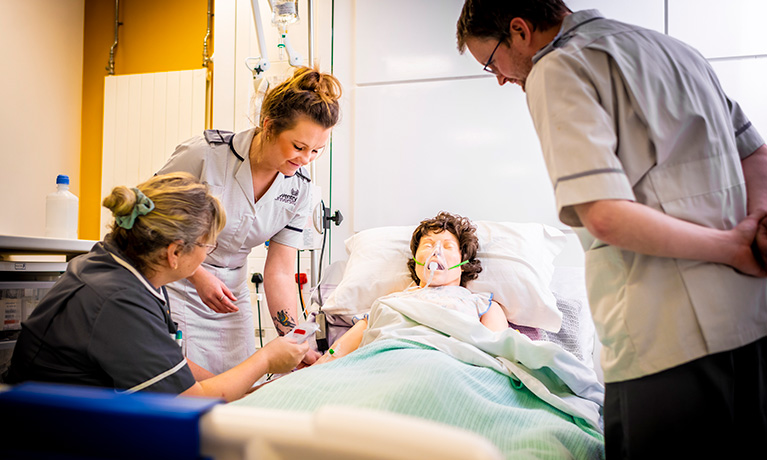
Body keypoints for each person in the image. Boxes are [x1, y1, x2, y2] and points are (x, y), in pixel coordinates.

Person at [456, 1, 767, 457]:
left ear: (519, 31)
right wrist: (755, 227)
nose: (500, 77)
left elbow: (603, 214)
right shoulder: (676, 50)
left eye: (490, 62)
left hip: (666, 338)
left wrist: (731, 246)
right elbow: (755, 154)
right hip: (751, 321)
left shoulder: (557, 67)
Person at [4, 173, 309, 401]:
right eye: (208, 245)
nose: (209, 252)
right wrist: (266, 359)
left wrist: (248, 391)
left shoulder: (122, 266)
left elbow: (172, 367)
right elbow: (190, 401)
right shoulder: (118, 299)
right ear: (175, 253)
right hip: (46, 429)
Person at [155, 66, 342, 375]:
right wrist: (199, 276)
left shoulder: (299, 188)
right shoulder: (205, 155)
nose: (306, 159)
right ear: (269, 126)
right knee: (187, 387)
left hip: (232, 296)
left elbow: (280, 271)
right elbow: (150, 220)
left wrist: (294, 339)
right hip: (177, 283)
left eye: (317, 151)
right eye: (298, 147)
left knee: (238, 382)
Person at [315, 211, 508, 365]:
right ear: (415, 261)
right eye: (428, 244)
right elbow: (334, 357)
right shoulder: (389, 303)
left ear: (463, 262)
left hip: (449, 369)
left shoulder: (483, 305)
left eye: (448, 246)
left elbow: (498, 359)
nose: (436, 251)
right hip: (382, 367)